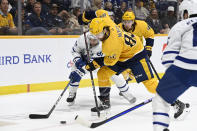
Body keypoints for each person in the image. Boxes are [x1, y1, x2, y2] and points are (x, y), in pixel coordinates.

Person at [88, 17, 156, 114]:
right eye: (95, 35)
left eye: (99, 34)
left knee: (150, 85)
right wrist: (87, 16)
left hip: (136, 55)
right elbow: (102, 14)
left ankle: (175, 101)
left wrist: (95, 63)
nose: (98, 37)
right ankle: (105, 102)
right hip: (122, 55)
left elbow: (110, 62)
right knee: (102, 73)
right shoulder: (107, 22)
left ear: (104, 30)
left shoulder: (110, 45)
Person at [152, 0, 197, 130]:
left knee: (160, 101)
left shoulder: (180, 25)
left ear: (186, 13)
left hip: (186, 67)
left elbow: (168, 57)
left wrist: (169, 84)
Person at [67, 31, 136, 106]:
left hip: (102, 62)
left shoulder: (106, 43)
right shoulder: (82, 39)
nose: (92, 42)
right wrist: (79, 61)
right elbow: (75, 51)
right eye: (91, 40)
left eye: (95, 40)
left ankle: (127, 93)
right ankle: (72, 93)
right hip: (86, 61)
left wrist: (83, 69)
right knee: (74, 72)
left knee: (117, 76)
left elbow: (103, 60)